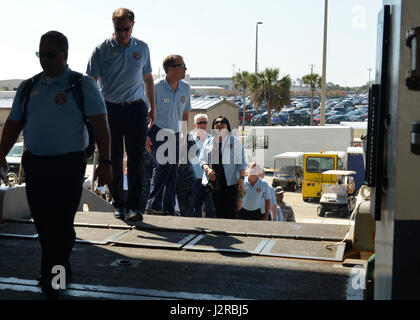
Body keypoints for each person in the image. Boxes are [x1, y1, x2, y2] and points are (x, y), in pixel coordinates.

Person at [0, 31, 111, 298]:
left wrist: (106, 161)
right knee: (43, 222)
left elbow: (101, 125)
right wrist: (1, 152)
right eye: (41, 54)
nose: (45, 61)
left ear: (65, 55)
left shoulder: (81, 85)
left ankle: (54, 279)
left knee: (60, 223)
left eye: (51, 55)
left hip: (68, 165)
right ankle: (58, 268)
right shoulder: (28, 87)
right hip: (36, 165)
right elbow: (13, 123)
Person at [86, 8, 156, 221]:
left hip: (136, 108)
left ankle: (135, 206)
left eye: (126, 29)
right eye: (118, 29)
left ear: (133, 24)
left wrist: (153, 106)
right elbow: (90, 82)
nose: (122, 33)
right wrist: (92, 112)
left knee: (136, 159)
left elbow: (148, 78)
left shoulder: (142, 48)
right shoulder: (101, 49)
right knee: (113, 158)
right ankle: (119, 202)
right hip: (110, 109)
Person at [145, 55, 191, 216]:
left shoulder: (186, 87)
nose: (185, 68)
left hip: (176, 133)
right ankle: (153, 204)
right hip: (157, 131)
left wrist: (183, 137)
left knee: (172, 170)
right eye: (182, 65)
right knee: (164, 164)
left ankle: (168, 208)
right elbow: (144, 113)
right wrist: (145, 134)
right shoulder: (155, 88)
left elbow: (185, 114)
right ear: (170, 69)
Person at [199, 116, 247, 219]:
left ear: (227, 126)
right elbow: (202, 159)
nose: (219, 124)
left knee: (230, 211)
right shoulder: (208, 142)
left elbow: (242, 162)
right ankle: (221, 233)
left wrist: (242, 178)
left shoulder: (235, 141)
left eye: (223, 122)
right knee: (217, 211)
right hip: (214, 182)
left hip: (230, 183)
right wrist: (207, 169)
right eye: (217, 122)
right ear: (214, 126)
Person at [190, 114, 215, 218]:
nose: (203, 125)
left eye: (205, 122)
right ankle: (197, 233)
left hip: (209, 180)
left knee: (211, 208)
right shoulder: (189, 141)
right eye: (200, 123)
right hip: (194, 180)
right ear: (195, 125)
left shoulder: (213, 141)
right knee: (195, 208)